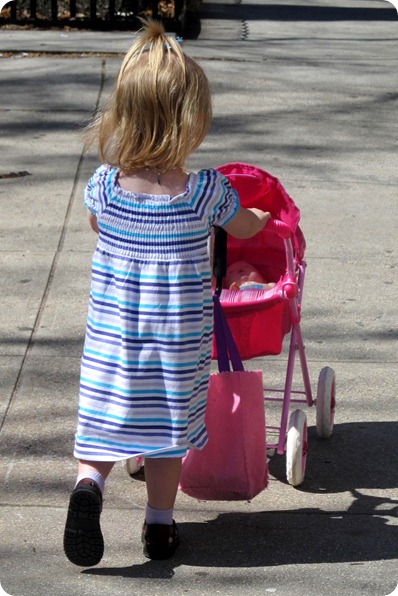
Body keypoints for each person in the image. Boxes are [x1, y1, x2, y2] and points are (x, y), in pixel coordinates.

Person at [63, 19, 270, 567]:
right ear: (190, 122)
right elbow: (244, 226)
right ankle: (159, 526)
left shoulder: (104, 185)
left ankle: (89, 487)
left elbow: (94, 223)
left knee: (103, 424)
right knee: (164, 438)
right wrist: (260, 216)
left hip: (113, 343)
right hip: (175, 349)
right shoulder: (205, 192)